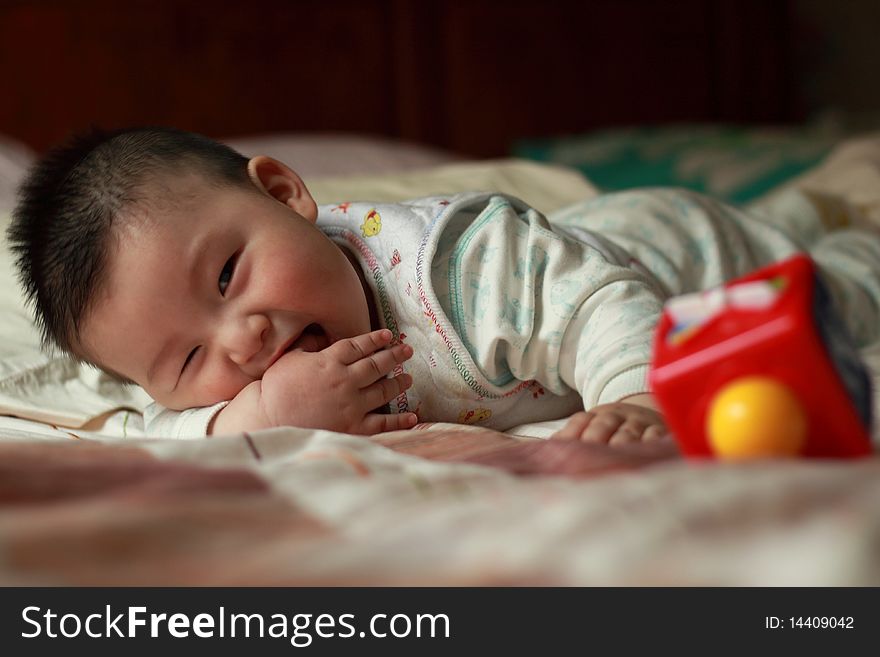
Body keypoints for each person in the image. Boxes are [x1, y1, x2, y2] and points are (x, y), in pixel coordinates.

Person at [7, 127, 880, 442]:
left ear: (284, 194)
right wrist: (265, 415)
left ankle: (828, 230)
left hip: (674, 252)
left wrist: (639, 395)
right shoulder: (230, 383)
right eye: (191, 353)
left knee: (829, 287)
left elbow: (596, 304)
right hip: (608, 258)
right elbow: (167, 428)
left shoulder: (462, 267)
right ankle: (809, 210)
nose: (243, 340)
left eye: (230, 274)